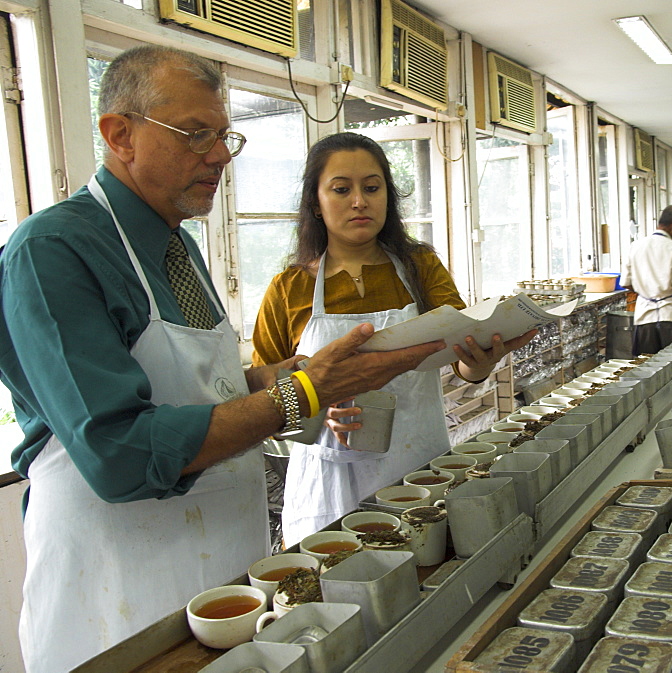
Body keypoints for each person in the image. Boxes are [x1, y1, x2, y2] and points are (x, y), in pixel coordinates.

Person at [0, 46, 445, 673]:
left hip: (220, 575)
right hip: (119, 591)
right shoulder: (54, 252)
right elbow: (119, 452)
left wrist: (279, 376)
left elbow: (201, 386)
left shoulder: (179, 244)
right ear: (119, 134)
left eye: (224, 136)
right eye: (195, 135)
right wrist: (303, 396)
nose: (218, 157)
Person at [251, 132, 536, 545]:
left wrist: (482, 360)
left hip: (419, 463)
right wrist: (316, 411)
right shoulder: (289, 288)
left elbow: (462, 356)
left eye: (372, 187)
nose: (359, 201)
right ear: (315, 202)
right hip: (330, 480)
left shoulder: (420, 267)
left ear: (388, 195)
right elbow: (266, 396)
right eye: (341, 189)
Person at [620, 205, 672, 356]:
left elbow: (625, 282)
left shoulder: (635, 246)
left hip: (644, 315)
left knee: (646, 365)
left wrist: (645, 289)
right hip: (669, 315)